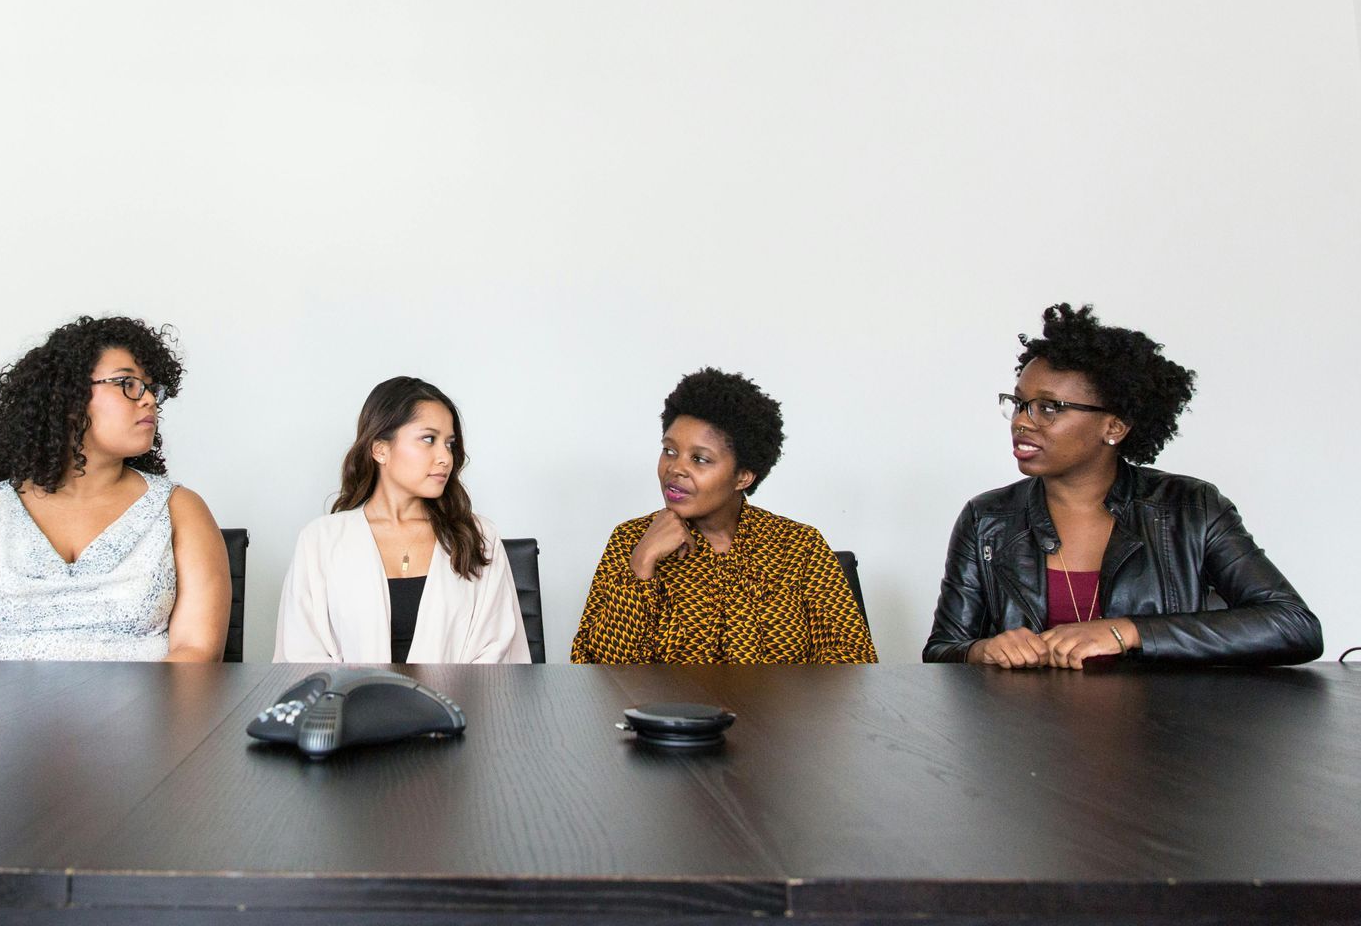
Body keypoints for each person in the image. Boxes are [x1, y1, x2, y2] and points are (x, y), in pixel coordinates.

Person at [924, 303, 1322, 668]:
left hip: (1166, 734)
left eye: (1048, 408)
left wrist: (1127, 632)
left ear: (1113, 426)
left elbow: (1293, 625)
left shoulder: (1191, 509)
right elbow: (942, 649)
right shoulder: (987, 518)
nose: (1021, 422)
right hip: (1028, 737)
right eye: (1019, 403)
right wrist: (981, 650)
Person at [0, 315, 229, 662]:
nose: (149, 399)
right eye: (128, 383)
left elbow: (195, 654)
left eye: (151, 388)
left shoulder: (181, 510)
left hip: (143, 715)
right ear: (69, 398)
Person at [572, 367, 875, 665]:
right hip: (667, 715)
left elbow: (853, 663)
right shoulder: (630, 539)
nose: (674, 469)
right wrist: (641, 564)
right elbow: (595, 672)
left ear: (743, 476)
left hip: (777, 716)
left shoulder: (798, 547)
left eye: (700, 459)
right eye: (669, 451)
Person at [275, 376, 529, 664]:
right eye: (428, 439)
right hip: (349, 707)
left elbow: (496, 653)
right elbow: (301, 655)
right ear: (380, 449)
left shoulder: (478, 536)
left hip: (459, 706)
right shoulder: (321, 541)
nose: (445, 457)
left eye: (449, 443)